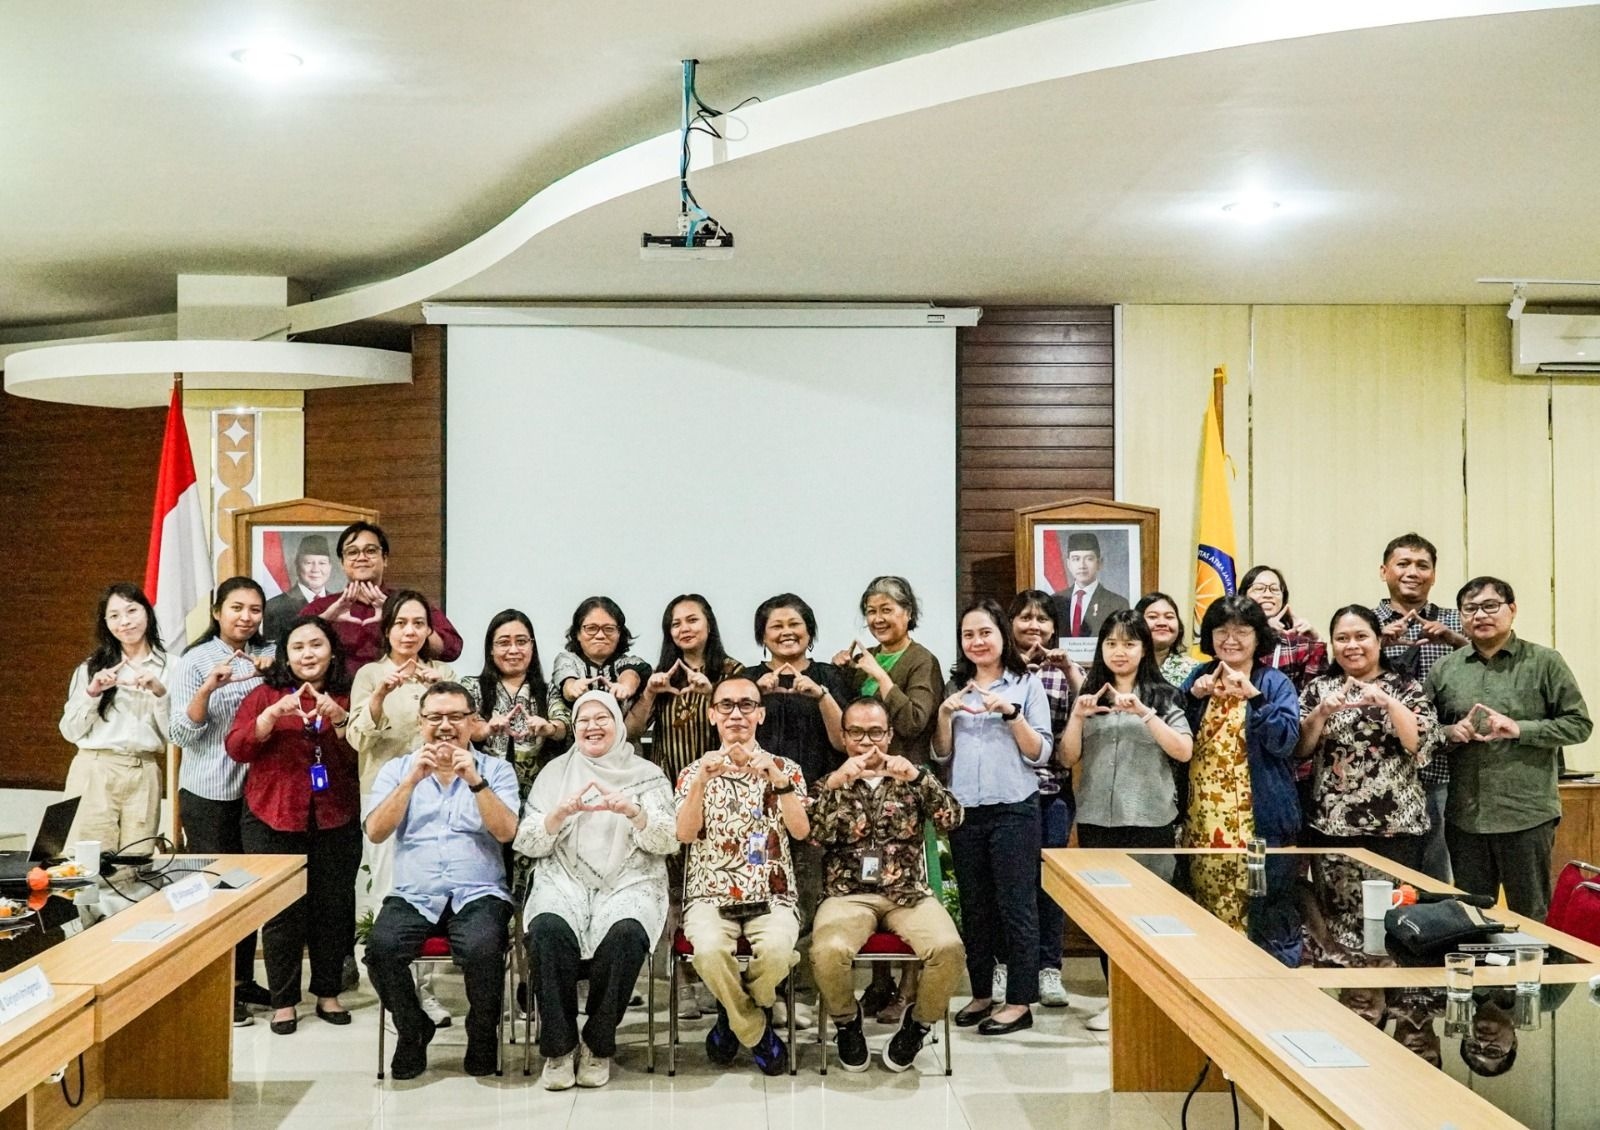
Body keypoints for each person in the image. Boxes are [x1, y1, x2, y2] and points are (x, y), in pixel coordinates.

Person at [517, 691, 677, 1090]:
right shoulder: (554, 773)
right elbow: (528, 841)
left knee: (626, 934)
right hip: (565, 879)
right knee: (548, 930)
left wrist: (633, 812)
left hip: (630, 880)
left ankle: (598, 1041)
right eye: (583, 720)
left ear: (619, 725)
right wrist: (558, 815)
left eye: (601, 718)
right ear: (573, 728)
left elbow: (667, 841)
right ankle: (559, 1046)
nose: (592, 726)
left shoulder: (647, 775)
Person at [363, 682, 520, 1080]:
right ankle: (413, 1027)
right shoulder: (398, 770)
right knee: (380, 948)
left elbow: (506, 833)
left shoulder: (496, 770)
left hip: (479, 891)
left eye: (455, 717)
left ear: (473, 722)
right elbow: (376, 831)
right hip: (415, 894)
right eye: (435, 717)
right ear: (421, 723)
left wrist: (475, 782)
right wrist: (410, 783)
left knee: (484, 948)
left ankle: (482, 1032)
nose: (445, 726)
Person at [810, 697, 965, 1072]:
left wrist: (918, 776)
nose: (867, 742)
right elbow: (812, 833)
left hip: (907, 893)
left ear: (890, 734)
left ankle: (918, 1025)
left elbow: (952, 818)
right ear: (844, 737)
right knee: (827, 951)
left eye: (876, 732)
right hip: (848, 895)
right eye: (857, 733)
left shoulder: (912, 778)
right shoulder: (830, 781)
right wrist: (835, 784)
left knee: (949, 949)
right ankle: (847, 1023)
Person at [1424, 577, 1592, 919]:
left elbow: (1579, 724)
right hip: (1465, 816)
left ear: (1511, 610)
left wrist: (1520, 728)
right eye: (1470, 609)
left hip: (1526, 815)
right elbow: (1423, 729)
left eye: (1490, 606)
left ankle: (1532, 974)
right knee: (1471, 917)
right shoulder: (1446, 668)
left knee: (1531, 916)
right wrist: (1451, 731)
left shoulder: (1544, 662)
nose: (1480, 616)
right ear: (1461, 617)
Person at [225, 616, 361, 1035]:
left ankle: (328, 993)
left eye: (316, 645)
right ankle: (284, 1001)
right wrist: (269, 717)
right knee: (282, 913)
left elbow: (365, 757)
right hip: (272, 817)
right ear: (285, 655)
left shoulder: (348, 694)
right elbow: (237, 748)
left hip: (336, 816)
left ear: (332, 652)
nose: (308, 654)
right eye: (298, 647)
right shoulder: (263, 694)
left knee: (333, 910)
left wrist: (340, 719)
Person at [1059, 610, 1193, 1030]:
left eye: (1129, 643)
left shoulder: (1164, 695)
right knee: (1108, 917)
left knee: (1151, 916)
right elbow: (1068, 757)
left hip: (1150, 819)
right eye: (1112, 643)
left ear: (1144, 649)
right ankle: (1116, 999)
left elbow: (1183, 751)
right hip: (1098, 820)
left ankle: (1153, 998)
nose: (1120, 652)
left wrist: (1145, 715)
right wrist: (1078, 718)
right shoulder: (1089, 694)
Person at [674, 675, 809, 1076]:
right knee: (711, 952)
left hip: (773, 895)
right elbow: (683, 834)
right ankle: (754, 1027)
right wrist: (701, 782)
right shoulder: (692, 771)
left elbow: (801, 832)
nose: (737, 714)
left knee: (780, 952)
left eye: (746, 705)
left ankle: (731, 1014)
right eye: (727, 706)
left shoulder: (786, 768)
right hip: (709, 896)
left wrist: (780, 784)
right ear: (713, 714)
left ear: (760, 714)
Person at [931, 598, 1052, 1037]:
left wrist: (1011, 713)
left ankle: (1020, 1001)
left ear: (1002, 636)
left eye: (985, 632)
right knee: (975, 908)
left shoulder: (1025, 685)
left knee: (1016, 906)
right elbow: (942, 754)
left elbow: (1041, 752)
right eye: (969, 635)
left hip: (1014, 808)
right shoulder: (956, 687)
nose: (977, 642)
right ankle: (982, 993)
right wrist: (945, 715)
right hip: (966, 810)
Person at [623, 594, 741, 1022]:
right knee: (672, 890)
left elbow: (742, 728)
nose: (684, 628)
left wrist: (716, 696)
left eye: (692, 619)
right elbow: (630, 731)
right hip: (668, 796)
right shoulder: (661, 675)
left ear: (709, 623)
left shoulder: (732, 673)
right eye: (675, 623)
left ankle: (717, 978)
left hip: (723, 799)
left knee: (713, 889)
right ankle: (683, 984)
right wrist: (651, 694)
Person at [831, 576, 944, 1023]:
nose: (878, 619)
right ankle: (879, 986)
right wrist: (845, 669)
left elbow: (915, 722)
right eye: (871, 611)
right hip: (862, 796)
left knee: (910, 892)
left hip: (906, 793)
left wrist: (876, 674)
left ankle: (908, 991)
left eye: (887, 610)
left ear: (908, 613)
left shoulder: (922, 660)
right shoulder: (865, 659)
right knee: (868, 886)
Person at [168, 576, 276, 1024]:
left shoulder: (269, 658)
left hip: (257, 793)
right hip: (209, 792)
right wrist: (207, 689)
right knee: (213, 892)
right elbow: (179, 733)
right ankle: (215, 984)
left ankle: (243, 978)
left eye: (254, 610)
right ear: (217, 612)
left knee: (247, 890)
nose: (245, 617)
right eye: (237, 608)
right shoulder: (195, 661)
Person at [347, 590, 458, 1025]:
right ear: (387, 629)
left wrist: (440, 698)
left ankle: (424, 992)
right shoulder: (369, 674)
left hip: (438, 799)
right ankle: (393, 996)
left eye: (418, 623)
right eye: (401, 623)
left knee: (427, 894)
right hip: (385, 797)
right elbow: (356, 738)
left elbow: (465, 727)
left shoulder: (444, 673)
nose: (410, 631)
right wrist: (380, 695)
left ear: (429, 631)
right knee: (387, 891)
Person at [1296, 606, 1442, 873]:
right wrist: (1321, 712)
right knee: (1335, 912)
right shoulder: (1318, 689)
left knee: (1394, 911)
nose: (1352, 645)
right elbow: (1300, 750)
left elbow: (1420, 744)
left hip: (1396, 826)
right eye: (1342, 638)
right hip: (1332, 826)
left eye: (1361, 636)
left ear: (1378, 640)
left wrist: (1389, 703)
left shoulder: (1405, 687)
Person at [1373, 533, 1468, 884]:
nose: (1413, 571)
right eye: (1403, 563)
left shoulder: (1457, 623)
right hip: (1378, 772)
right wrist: (1376, 640)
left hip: (1442, 768)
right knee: (1381, 876)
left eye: (1422, 565)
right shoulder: (1363, 623)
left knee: (1436, 875)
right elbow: (1335, 676)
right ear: (1384, 571)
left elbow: (1488, 663)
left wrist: (1456, 641)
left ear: (1434, 574)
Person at [1005, 589, 1083, 1010]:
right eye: (1024, 618)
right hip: (1007, 796)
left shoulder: (1062, 671)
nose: (1033, 626)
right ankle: (1007, 964)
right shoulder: (995, 669)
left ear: (1055, 627)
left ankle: (1049, 968)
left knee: (1049, 885)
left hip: (1052, 793)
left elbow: (1092, 707)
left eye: (1042, 619)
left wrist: (1070, 670)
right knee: (1009, 884)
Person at [1180, 595, 1301, 849]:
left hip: (1260, 814)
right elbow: (1175, 736)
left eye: (1241, 632)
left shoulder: (1274, 682)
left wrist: (1255, 698)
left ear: (1258, 638)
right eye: (1221, 631)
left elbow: (1286, 742)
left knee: (1262, 886)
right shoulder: (1199, 676)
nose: (1230, 640)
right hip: (1202, 812)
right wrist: (1192, 697)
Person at [59, 583, 171, 850]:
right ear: (106, 623)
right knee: (87, 860)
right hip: (95, 768)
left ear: (147, 613)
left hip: (144, 770)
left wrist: (159, 694)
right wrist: (92, 692)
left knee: (136, 860)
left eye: (132, 611)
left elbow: (174, 735)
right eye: (115, 616)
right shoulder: (90, 668)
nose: (125, 622)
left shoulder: (172, 666)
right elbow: (70, 731)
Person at [301, 522, 462, 677]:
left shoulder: (411, 604)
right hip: (334, 698)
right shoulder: (322, 607)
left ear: (385, 559)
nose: (361, 557)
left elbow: (451, 650)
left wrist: (397, 612)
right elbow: (291, 650)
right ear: (342, 563)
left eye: (370, 551)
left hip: (396, 692)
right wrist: (325, 619)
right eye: (352, 552)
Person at [461, 609, 569, 805]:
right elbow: (467, 726)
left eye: (521, 642)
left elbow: (564, 724)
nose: (513, 650)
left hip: (539, 795)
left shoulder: (547, 690)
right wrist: (487, 728)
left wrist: (549, 728)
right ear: (491, 648)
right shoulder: (471, 687)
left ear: (532, 646)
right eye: (504, 643)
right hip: (483, 791)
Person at [741, 592, 848, 785]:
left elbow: (845, 743)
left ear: (809, 632)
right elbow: (732, 738)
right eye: (776, 626)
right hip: (758, 786)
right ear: (763, 637)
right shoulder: (746, 680)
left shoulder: (832, 676)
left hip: (823, 788)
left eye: (794, 624)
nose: (786, 632)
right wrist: (754, 695)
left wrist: (822, 696)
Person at [552, 596, 653, 707]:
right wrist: (573, 687)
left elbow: (631, 674)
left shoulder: (630, 662)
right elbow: (567, 683)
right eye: (591, 628)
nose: (600, 635)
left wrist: (624, 687)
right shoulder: (567, 660)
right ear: (577, 634)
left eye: (609, 629)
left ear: (619, 634)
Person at [1239, 565, 1328, 690]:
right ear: (1243, 596)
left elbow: (1315, 692)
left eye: (1275, 589)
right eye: (1259, 589)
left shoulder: (1296, 643)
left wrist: (1316, 642)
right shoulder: (1233, 638)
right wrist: (1264, 630)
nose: (1268, 594)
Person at [1050, 532, 1130, 638]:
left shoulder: (1117, 604)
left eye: (1089, 558)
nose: (1082, 565)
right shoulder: (1055, 601)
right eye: (1076, 559)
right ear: (1068, 564)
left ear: (1099, 563)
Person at [262, 535, 335, 641]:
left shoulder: (339, 603)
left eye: (322, 563)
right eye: (308, 563)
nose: (315, 569)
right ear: (297, 565)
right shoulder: (274, 607)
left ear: (330, 567)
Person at [1136, 591, 1201, 687]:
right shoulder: (1123, 665)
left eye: (1169, 617)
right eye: (1152, 617)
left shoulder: (1195, 670)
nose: (1162, 623)